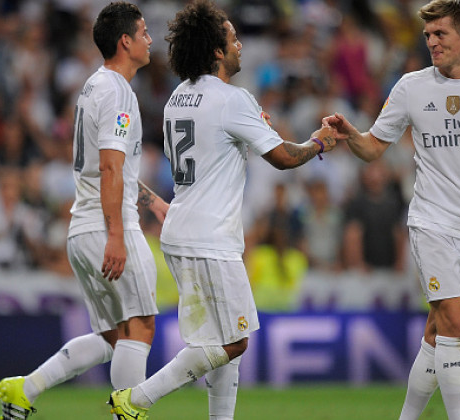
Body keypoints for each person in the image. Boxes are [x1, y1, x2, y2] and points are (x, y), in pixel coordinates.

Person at [107, 1, 341, 419]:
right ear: (216, 50)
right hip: (210, 238)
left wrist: (253, 124)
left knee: (218, 344)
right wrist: (318, 143)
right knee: (234, 342)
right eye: (233, 38)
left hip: (182, 232)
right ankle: (134, 400)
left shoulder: (180, 96)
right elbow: (284, 158)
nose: (239, 44)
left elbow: (216, 142)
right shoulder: (233, 99)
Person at [324, 1, 460, 418]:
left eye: (441, 34)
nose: (432, 42)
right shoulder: (410, 87)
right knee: (454, 321)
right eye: (428, 36)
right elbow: (374, 148)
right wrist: (351, 135)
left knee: (439, 332)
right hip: (430, 219)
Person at [0, 3, 168, 419]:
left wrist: (153, 202)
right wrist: (116, 234)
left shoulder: (95, 86)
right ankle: (126, 414)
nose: (149, 39)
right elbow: (109, 167)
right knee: (140, 327)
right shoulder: (119, 93)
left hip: (82, 227)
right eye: (143, 32)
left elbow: (108, 165)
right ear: (125, 41)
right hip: (109, 226)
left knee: (112, 336)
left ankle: (25, 389)